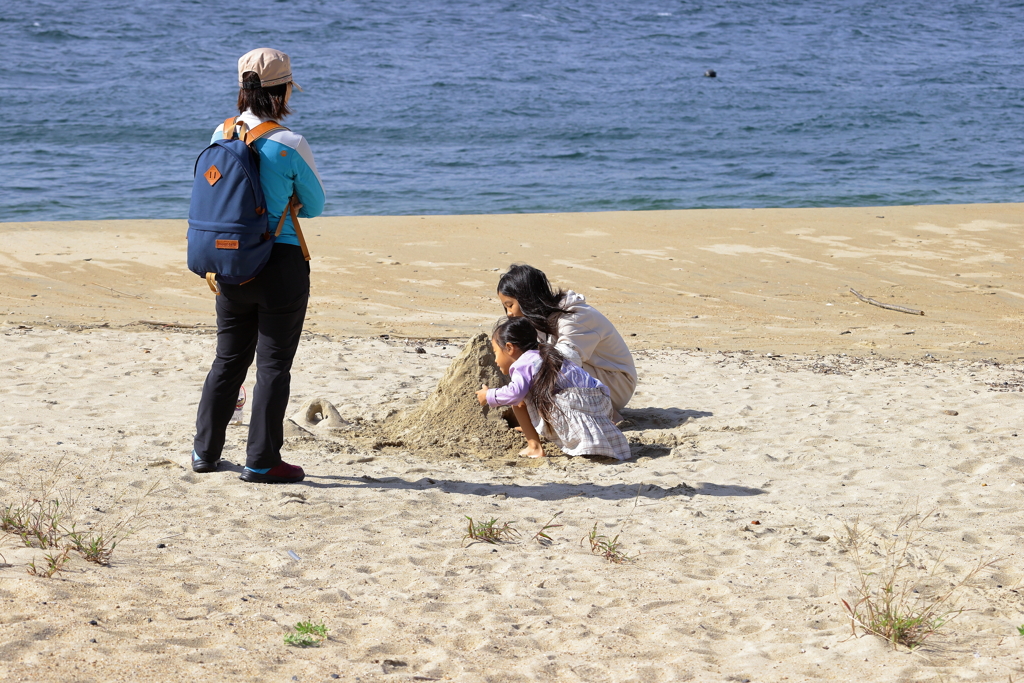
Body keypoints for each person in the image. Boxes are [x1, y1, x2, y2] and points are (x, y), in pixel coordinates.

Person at [191, 48, 325, 484]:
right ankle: (262, 460)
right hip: (279, 265)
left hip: (230, 262)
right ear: (283, 90)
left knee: (228, 359)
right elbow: (317, 206)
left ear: (242, 88)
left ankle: (204, 452)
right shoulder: (290, 144)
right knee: (272, 367)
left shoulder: (221, 132)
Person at [475, 317, 631, 461]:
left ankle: (534, 447)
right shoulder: (549, 354)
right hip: (600, 402)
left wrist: (488, 395)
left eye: (495, 352)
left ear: (509, 348)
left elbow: (515, 393)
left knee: (519, 401)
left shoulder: (523, 363)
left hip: (573, 406)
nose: (495, 360)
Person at [496, 264, 636, 417]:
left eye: (510, 305)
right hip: (593, 374)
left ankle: (608, 413)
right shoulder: (541, 320)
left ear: (527, 299)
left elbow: (565, 360)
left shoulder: (575, 315)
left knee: (543, 366)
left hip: (617, 382)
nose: (509, 313)